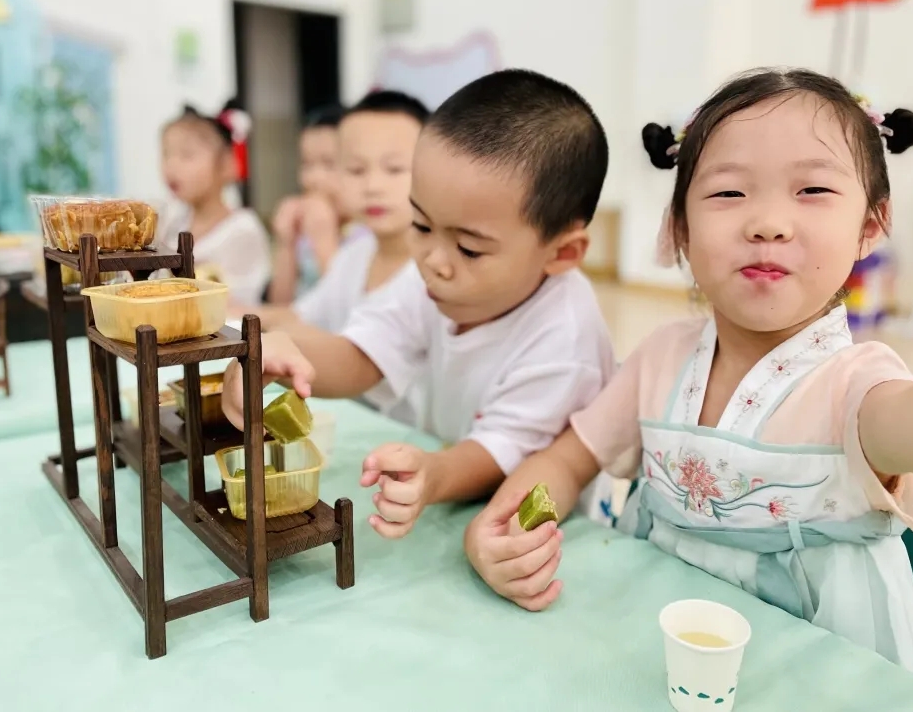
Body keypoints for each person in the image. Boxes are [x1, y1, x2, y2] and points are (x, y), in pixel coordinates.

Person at [463, 67, 913, 687]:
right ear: (680, 230)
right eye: (728, 194)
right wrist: (506, 528)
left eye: (813, 191)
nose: (768, 223)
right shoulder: (661, 358)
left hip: (825, 686)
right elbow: (564, 462)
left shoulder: (857, 389)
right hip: (660, 660)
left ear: (871, 226)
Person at [221, 69, 617, 540]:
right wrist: (275, 353)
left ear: (562, 253)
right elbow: (362, 355)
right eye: (422, 225)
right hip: (448, 495)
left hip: (534, 533)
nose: (433, 260)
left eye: (469, 248)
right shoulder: (429, 273)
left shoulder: (564, 337)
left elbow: (500, 452)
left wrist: (434, 472)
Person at [247, 90, 430, 425]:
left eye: (394, 169)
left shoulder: (433, 270)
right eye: (357, 170)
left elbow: (347, 349)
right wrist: (226, 316)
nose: (373, 185)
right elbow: (300, 315)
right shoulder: (357, 254)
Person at [156, 105, 270, 305]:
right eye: (166, 154)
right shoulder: (173, 221)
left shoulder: (243, 228)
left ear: (226, 164)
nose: (171, 166)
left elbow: (241, 303)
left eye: (186, 155)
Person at [267, 103, 352, 304]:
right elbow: (280, 304)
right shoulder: (305, 232)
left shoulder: (365, 234)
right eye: (307, 164)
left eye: (329, 164)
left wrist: (323, 237)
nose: (314, 179)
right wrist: (286, 243)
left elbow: (348, 306)